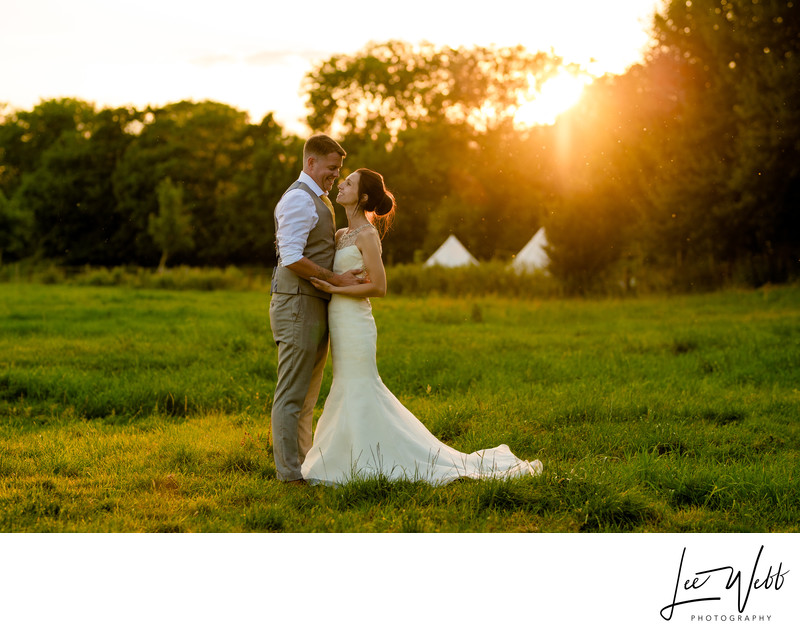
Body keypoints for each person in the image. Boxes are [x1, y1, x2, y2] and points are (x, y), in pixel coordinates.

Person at [302, 168, 543, 485]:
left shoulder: (368, 236)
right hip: (339, 320)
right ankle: (347, 455)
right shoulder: (339, 235)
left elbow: (379, 286)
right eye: (343, 181)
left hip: (357, 321)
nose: (342, 185)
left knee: (361, 385)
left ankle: (371, 458)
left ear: (362, 197)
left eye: (349, 183)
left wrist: (336, 290)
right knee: (345, 384)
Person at [269, 134, 364, 485]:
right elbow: (291, 256)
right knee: (292, 394)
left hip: (312, 305)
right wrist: (335, 279)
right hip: (296, 305)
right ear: (311, 163)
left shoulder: (319, 199)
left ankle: (303, 466)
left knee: (307, 397)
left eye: (339, 169)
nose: (336, 175)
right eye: (331, 168)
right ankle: (289, 475)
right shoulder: (298, 198)